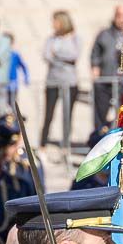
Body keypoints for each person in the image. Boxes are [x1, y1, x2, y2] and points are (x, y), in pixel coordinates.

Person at [40, 11, 80, 150]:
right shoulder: (51, 39)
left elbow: (74, 55)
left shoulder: (74, 38)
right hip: (52, 81)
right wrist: (62, 59)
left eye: (55, 21)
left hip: (70, 82)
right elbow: (46, 55)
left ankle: (65, 145)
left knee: (67, 115)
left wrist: (56, 53)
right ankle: (43, 144)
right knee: (48, 115)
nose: (53, 24)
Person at [91, 5, 123, 130]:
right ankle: (99, 135)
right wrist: (95, 68)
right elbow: (95, 53)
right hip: (106, 79)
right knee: (101, 112)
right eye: (119, 16)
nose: (122, 19)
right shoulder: (104, 34)